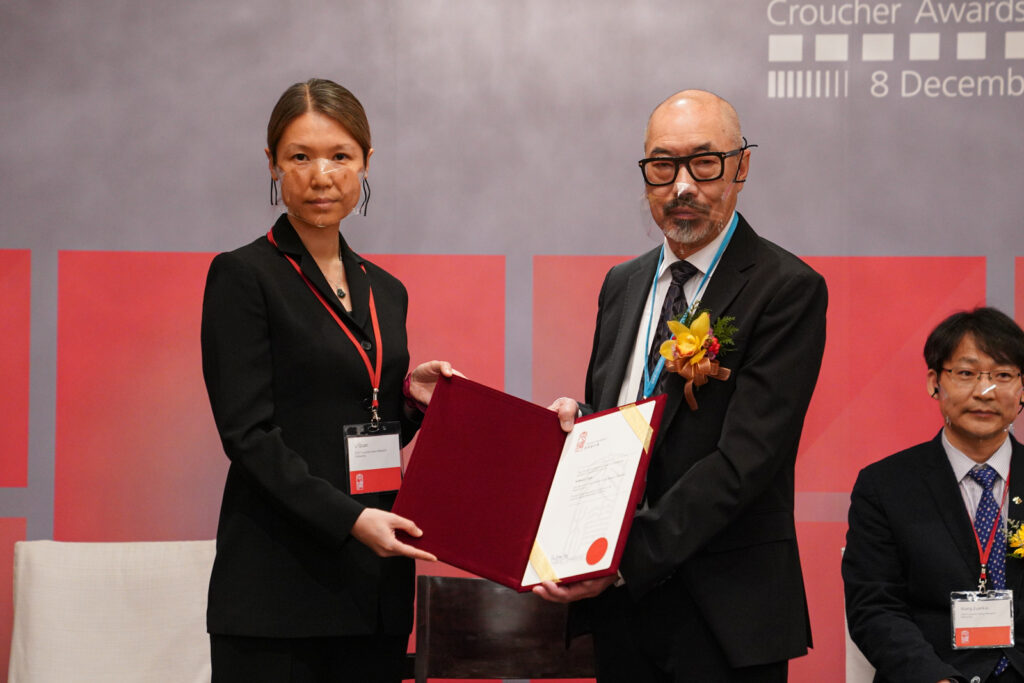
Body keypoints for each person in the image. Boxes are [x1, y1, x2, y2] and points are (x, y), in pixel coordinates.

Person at [535, 89, 827, 681]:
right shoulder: (623, 283)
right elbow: (638, 419)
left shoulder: (787, 288)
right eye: (663, 166)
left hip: (723, 611)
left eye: (705, 162)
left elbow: (746, 461)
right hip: (620, 609)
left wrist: (621, 558)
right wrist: (582, 420)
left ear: (741, 167)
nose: (682, 186)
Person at [201, 78, 456, 683]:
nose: (322, 176)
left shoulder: (385, 290)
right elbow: (249, 436)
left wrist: (412, 402)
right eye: (301, 156)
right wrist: (349, 520)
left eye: (340, 156)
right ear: (272, 164)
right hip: (277, 591)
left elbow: (362, 429)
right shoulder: (243, 276)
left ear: (366, 161)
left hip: (373, 591)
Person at [843, 307, 1024, 683]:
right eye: (966, 373)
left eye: (1003, 375)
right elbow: (875, 607)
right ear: (933, 383)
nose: (985, 391)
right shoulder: (885, 486)